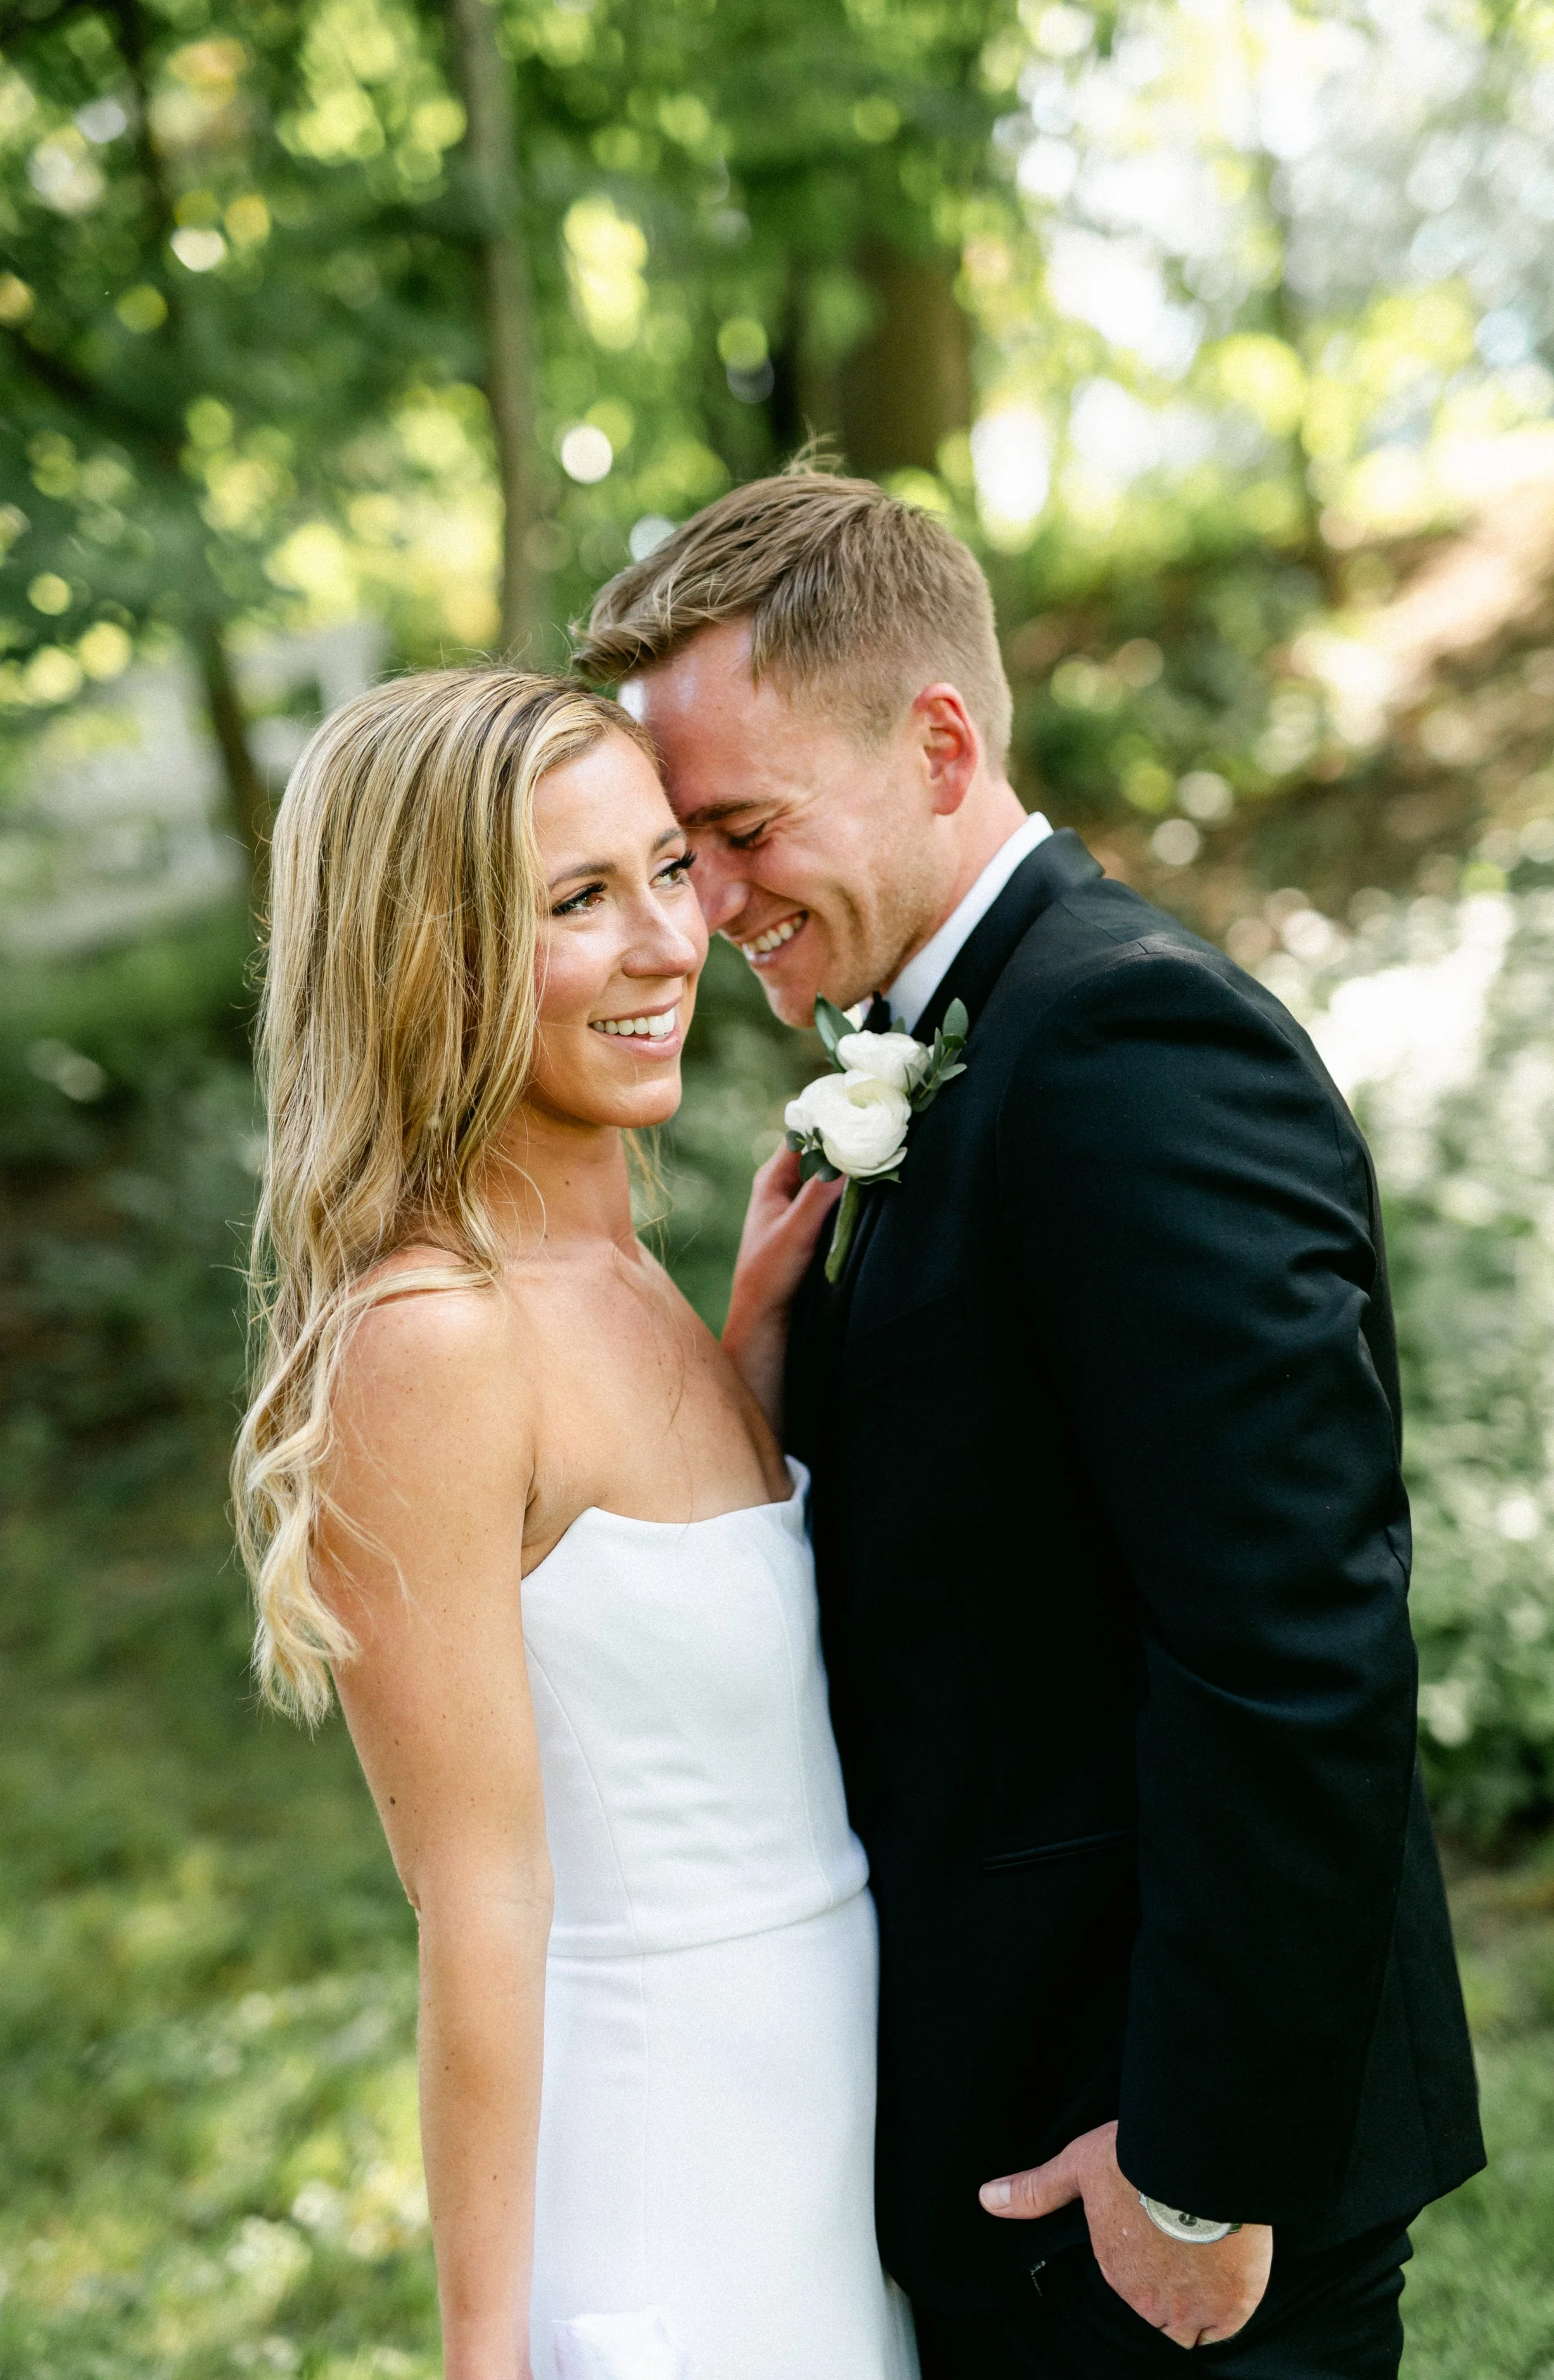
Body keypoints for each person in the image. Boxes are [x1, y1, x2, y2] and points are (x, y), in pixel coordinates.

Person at [577, 468, 1487, 2379]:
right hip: (1018, 2125)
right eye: (679, 849)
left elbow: (1291, 1646)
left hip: (1158, 2166)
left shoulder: (1133, 1046)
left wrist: (1190, 2164)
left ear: (935, 742)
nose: (707, 907)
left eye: (739, 830)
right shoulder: (944, 1048)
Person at [232, 668, 915, 2380]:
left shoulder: (627, 1278)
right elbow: (475, 1892)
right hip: (665, 2176)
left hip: (830, 2149)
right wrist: (487, 2349)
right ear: (430, 957)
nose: (669, 944)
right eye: (575, 902)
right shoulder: (430, 1336)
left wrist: (749, 1362)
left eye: (669, 870)